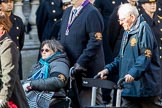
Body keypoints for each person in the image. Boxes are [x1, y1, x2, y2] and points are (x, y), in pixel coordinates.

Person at [98, 3, 162, 108]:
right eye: (119, 20)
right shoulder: (127, 32)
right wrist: (107, 69)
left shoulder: (143, 29)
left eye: (122, 19)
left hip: (144, 89)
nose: (120, 23)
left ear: (132, 17)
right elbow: (120, 58)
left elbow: (145, 56)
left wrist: (132, 73)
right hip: (129, 89)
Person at [58, 0, 105, 107]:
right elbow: (60, 36)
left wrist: (81, 62)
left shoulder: (92, 12)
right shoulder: (68, 11)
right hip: (70, 69)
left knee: (89, 104)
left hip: (86, 70)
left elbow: (95, 41)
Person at [22, 39, 70, 108]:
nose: (43, 52)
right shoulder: (41, 63)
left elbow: (57, 81)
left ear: (55, 51)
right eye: (42, 50)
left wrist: (32, 84)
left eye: (47, 50)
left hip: (54, 94)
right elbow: (30, 79)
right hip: (38, 90)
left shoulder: (60, 63)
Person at [0, 12, 29, 108]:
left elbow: (8, 76)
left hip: (9, 98)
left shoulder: (7, 45)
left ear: (2, 27)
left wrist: (2, 100)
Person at [138, 0, 162, 99]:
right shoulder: (140, 21)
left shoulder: (159, 20)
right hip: (148, 60)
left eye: (154, 3)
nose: (153, 5)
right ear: (143, 5)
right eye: (149, 3)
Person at [0, 0, 25, 80]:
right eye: (6, 2)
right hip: (2, 59)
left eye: (11, 1)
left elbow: (20, 42)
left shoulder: (18, 21)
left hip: (15, 58)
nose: (9, 4)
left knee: (17, 86)